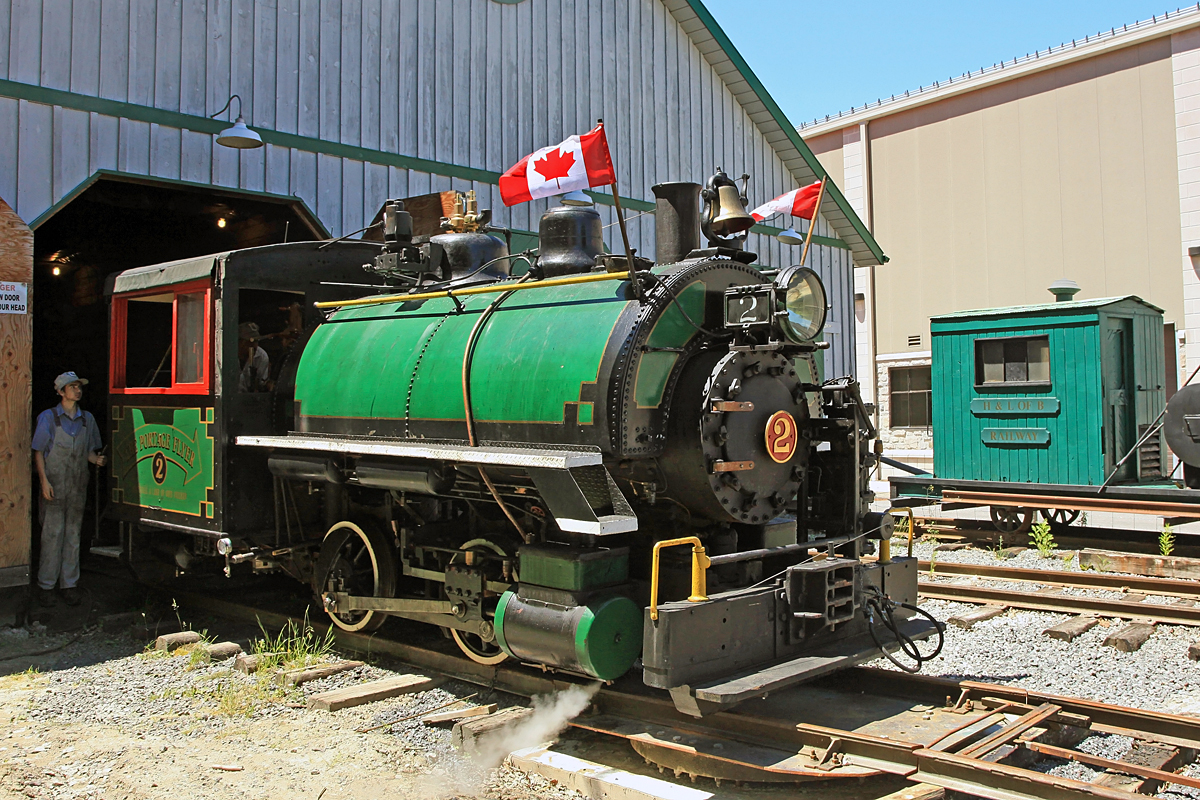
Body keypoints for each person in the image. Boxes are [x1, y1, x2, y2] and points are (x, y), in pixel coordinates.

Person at [31, 372, 106, 607]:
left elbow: (88, 451)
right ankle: (46, 587)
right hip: (54, 486)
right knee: (52, 536)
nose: (77, 390)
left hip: (76, 486)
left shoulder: (87, 420)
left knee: (73, 536)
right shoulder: (48, 418)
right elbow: (39, 452)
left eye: (78, 387)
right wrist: (44, 481)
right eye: (72, 387)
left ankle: (69, 586)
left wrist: (96, 460)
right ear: (61, 392)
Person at [238, 322, 271, 392]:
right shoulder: (228, 355)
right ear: (240, 341)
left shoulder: (262, 357)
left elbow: (262, 383)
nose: (254, 345)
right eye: (250, 341)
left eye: (256, 341)